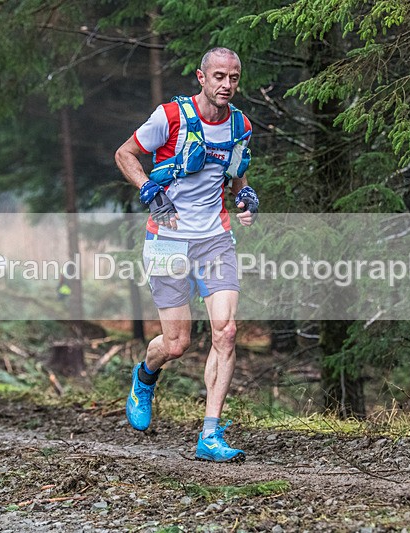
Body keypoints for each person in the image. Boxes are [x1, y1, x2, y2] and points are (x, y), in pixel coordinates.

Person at [114, 47, 260, 462]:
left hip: (215, 239)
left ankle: (209, 436)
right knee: (177, 344)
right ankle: (145, 378)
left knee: (226, 332)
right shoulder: (170, 117)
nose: (226, 85)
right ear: (201, 77)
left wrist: (245, 195)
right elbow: (125, 154)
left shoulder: (240, 125)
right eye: (218, 77)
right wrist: (150, 191)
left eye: (233, 77)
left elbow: (236, 172)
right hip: (167, 239)